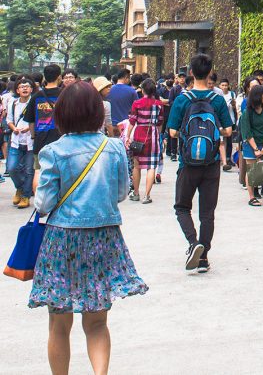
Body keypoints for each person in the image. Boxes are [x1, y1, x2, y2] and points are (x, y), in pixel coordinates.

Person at [29, 81, 147, 375]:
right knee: (97, 323)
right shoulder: (114, 148)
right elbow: (121, 193)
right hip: (103, 237)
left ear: (62, 114)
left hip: (62, 240)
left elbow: (43, 204)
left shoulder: (53, 152)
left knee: (59, 324)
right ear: (97, 111)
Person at [167, 54, 234, 273]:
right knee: (207, 212)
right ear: (210, 73)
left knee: (182, 207)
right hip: (212, 163)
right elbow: (228, 130)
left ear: (191, 73)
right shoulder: (217, 100)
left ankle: (193, 243)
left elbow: (173, 132)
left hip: (187, 163)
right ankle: (204, 257)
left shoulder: (182, 99)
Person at [124, 78, 164, 204]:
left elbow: (132, 121)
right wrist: (159, 136)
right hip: (153, 134)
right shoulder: (159, 104)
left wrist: (127, 136)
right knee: (151, 166)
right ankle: (147, 195)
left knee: (137, 166)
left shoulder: (137, 103)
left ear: (142, 90)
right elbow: (160, 122)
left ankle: (136, 193)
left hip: (139, 134)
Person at [25, 64, 65, 173]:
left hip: (40, 142)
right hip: (61, 142)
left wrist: (33, 137)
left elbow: (31, 121)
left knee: (39, 174)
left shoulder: (36, 97)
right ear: (59, 77)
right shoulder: (65, 95)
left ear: (44, 77)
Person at [7, 76, 35, 208]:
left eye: (27, 86)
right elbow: (9, 120)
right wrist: (14, 128)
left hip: (30, 141)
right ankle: (20, 187)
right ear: (17, 90)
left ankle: (25, 196)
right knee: (12, 168)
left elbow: (37, 121)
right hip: (16, 141)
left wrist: (28, 128)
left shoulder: (35, 103)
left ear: (31, 89)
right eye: (22, 86)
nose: (24, 88)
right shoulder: (13, 103)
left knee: (29, 170)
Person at [106, 70, 138, 140]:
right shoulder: (132, 91)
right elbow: (137, 109)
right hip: (125, 127)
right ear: (126, 77)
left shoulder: (108, 90)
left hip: (111, 127)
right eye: (129, 78)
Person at [219, 78, 237, 170]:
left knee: (229, 139)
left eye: (226, 85)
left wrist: (233, 104)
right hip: (221, 120)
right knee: (221, 140)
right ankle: (221, 158)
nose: (224, 87)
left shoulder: (232, 94)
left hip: (230, 119)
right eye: (223, 85)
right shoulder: (218, 94)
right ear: (219, 86)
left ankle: (228, 158)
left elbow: (235, 107)